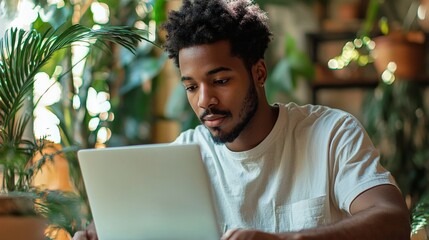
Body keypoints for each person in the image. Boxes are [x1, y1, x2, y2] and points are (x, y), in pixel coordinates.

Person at [73, 0, 411, 239]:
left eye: (220, 81)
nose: (205, 100)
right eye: (191, 87)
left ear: (259, 73)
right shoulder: (185, 156)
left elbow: (393, 221)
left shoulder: (331, 134)